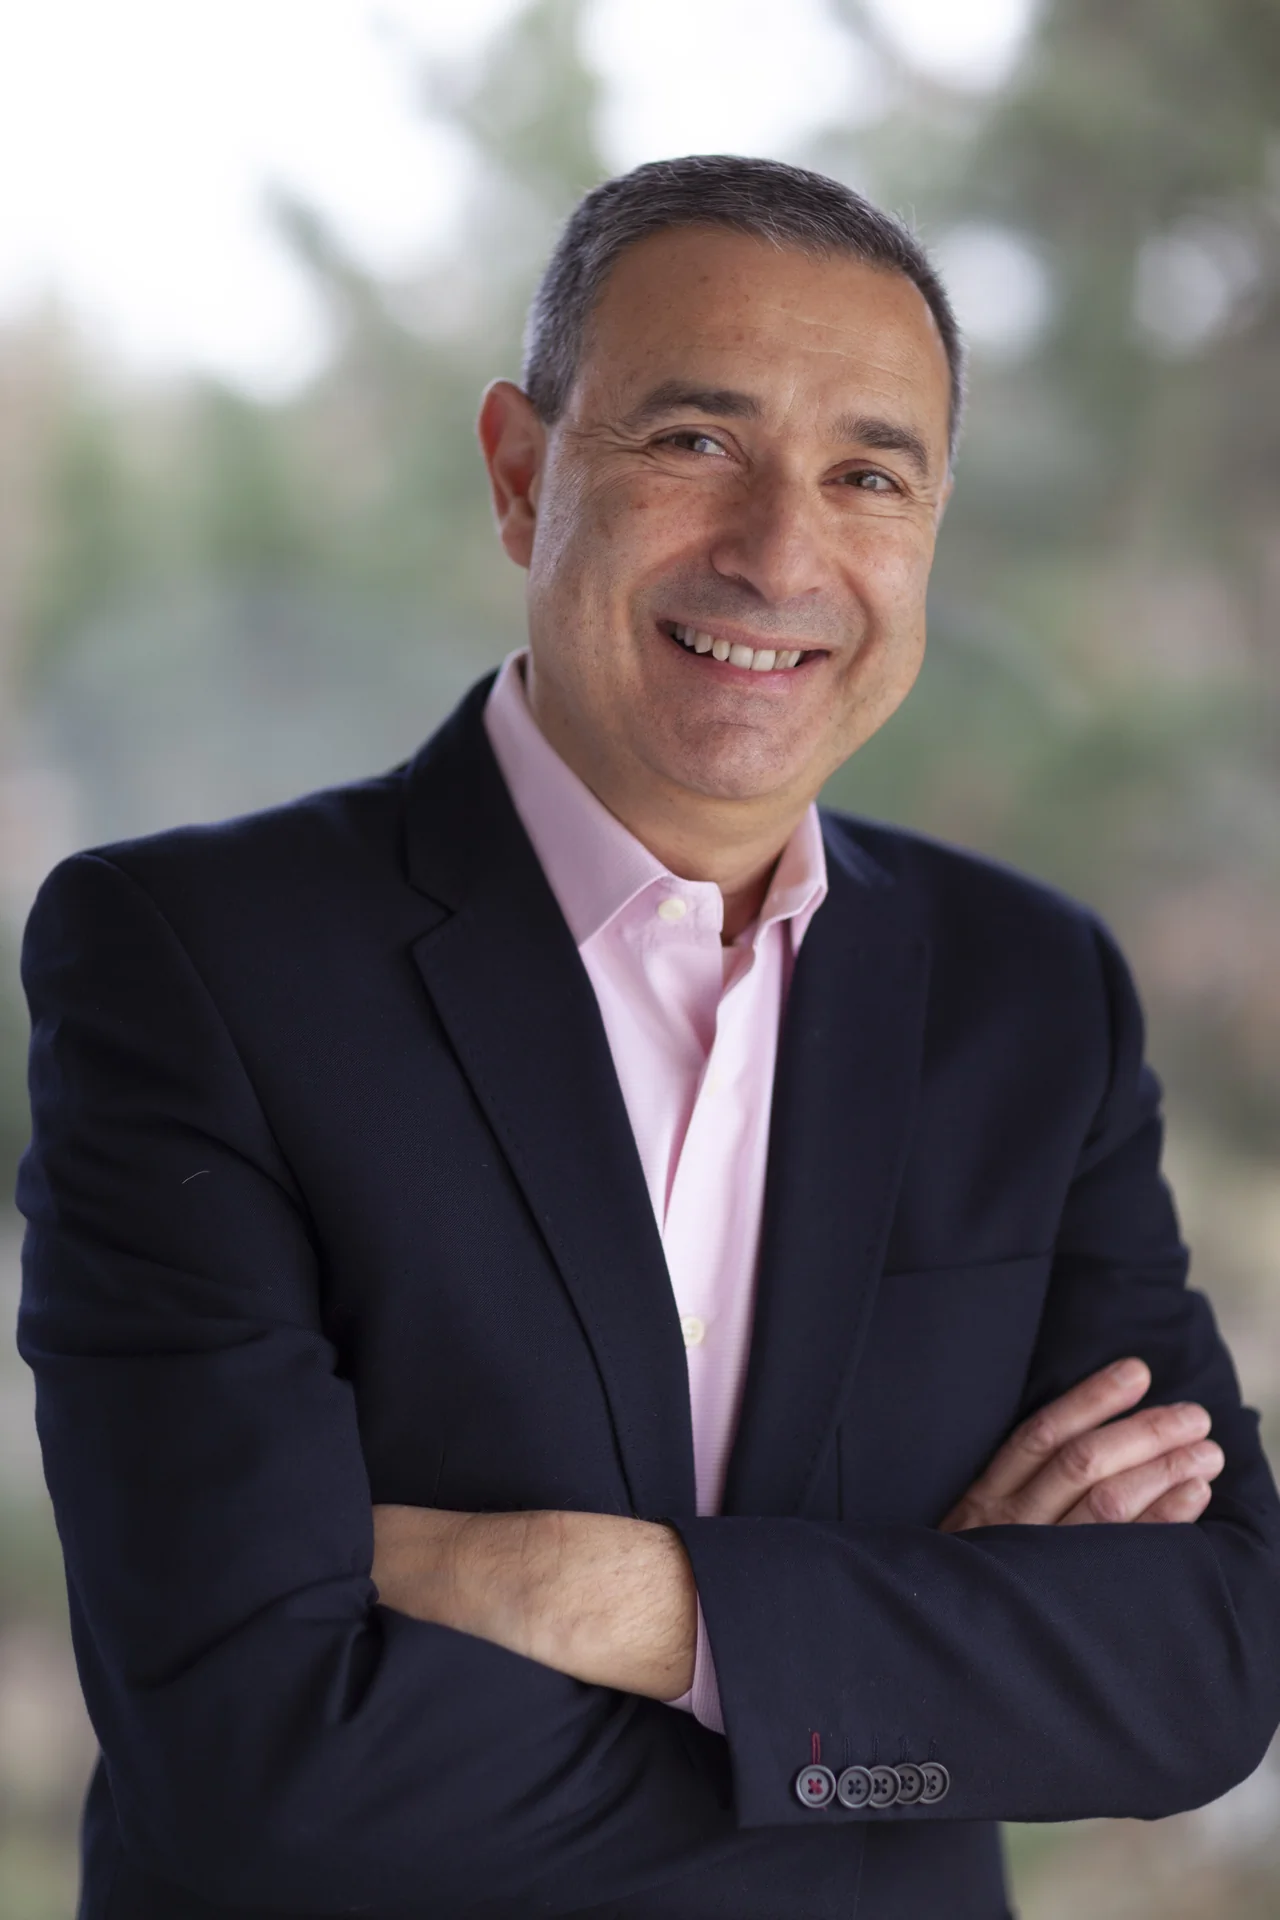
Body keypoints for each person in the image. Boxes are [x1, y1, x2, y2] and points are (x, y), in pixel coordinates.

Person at [16, 154, 1280, 1920]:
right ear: (520, 476)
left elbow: (1205, 1665)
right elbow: (260, 1770)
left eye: (868, 476)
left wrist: (622, 1602)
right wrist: (899, 1663)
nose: (781, 554)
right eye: (695, 443)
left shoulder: (1028, 994)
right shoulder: (200, 962)